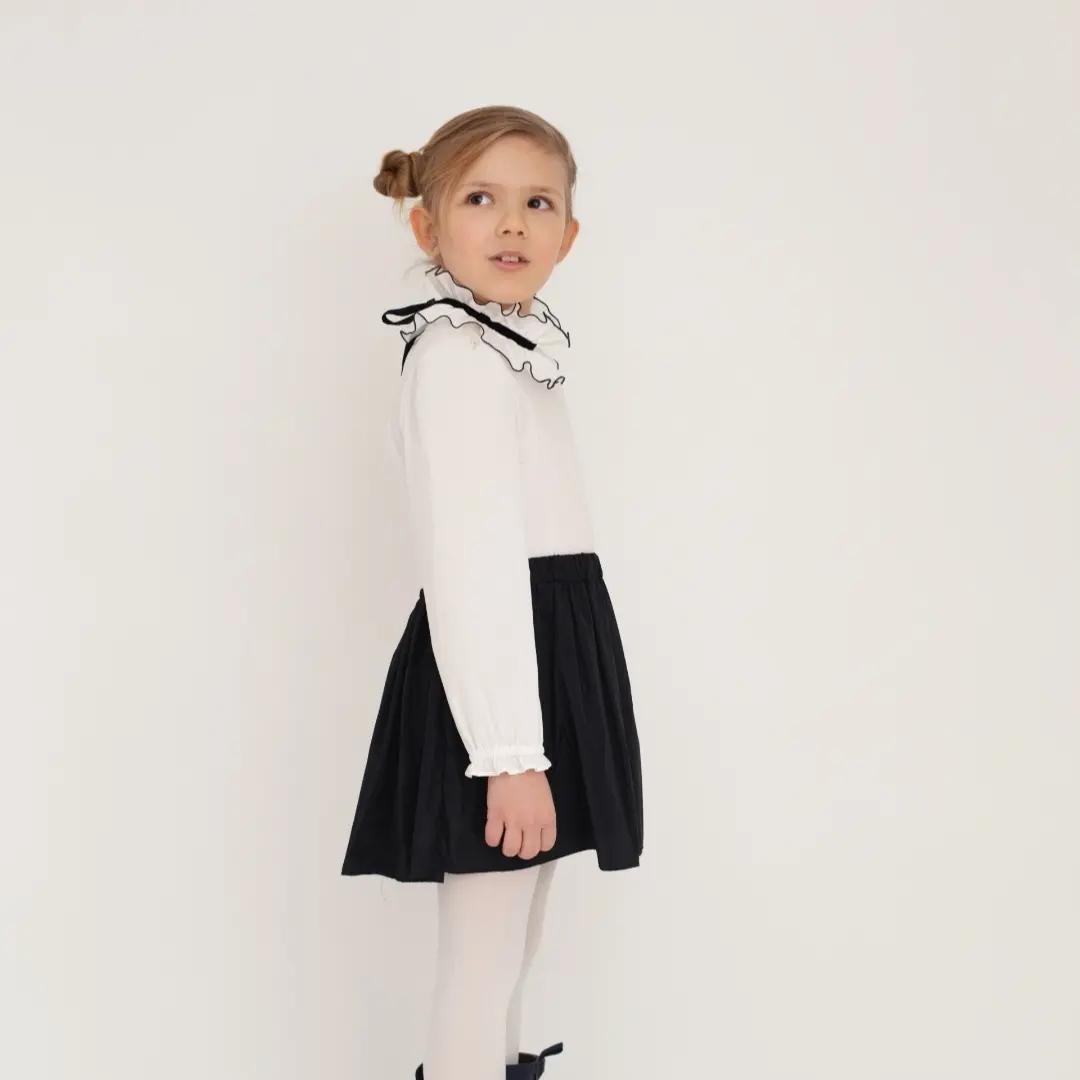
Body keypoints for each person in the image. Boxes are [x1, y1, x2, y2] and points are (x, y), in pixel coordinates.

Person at [341, 104, 644, 1080]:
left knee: (513, 940)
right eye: (480, 199)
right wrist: (509, 754)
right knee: (483, 953)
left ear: (569, 234)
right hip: (500, 683)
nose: (512, 223)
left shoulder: (506, 348)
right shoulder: (457, 361)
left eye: (537, 203)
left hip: (545, 650)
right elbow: (470, 566)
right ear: (427, 227)